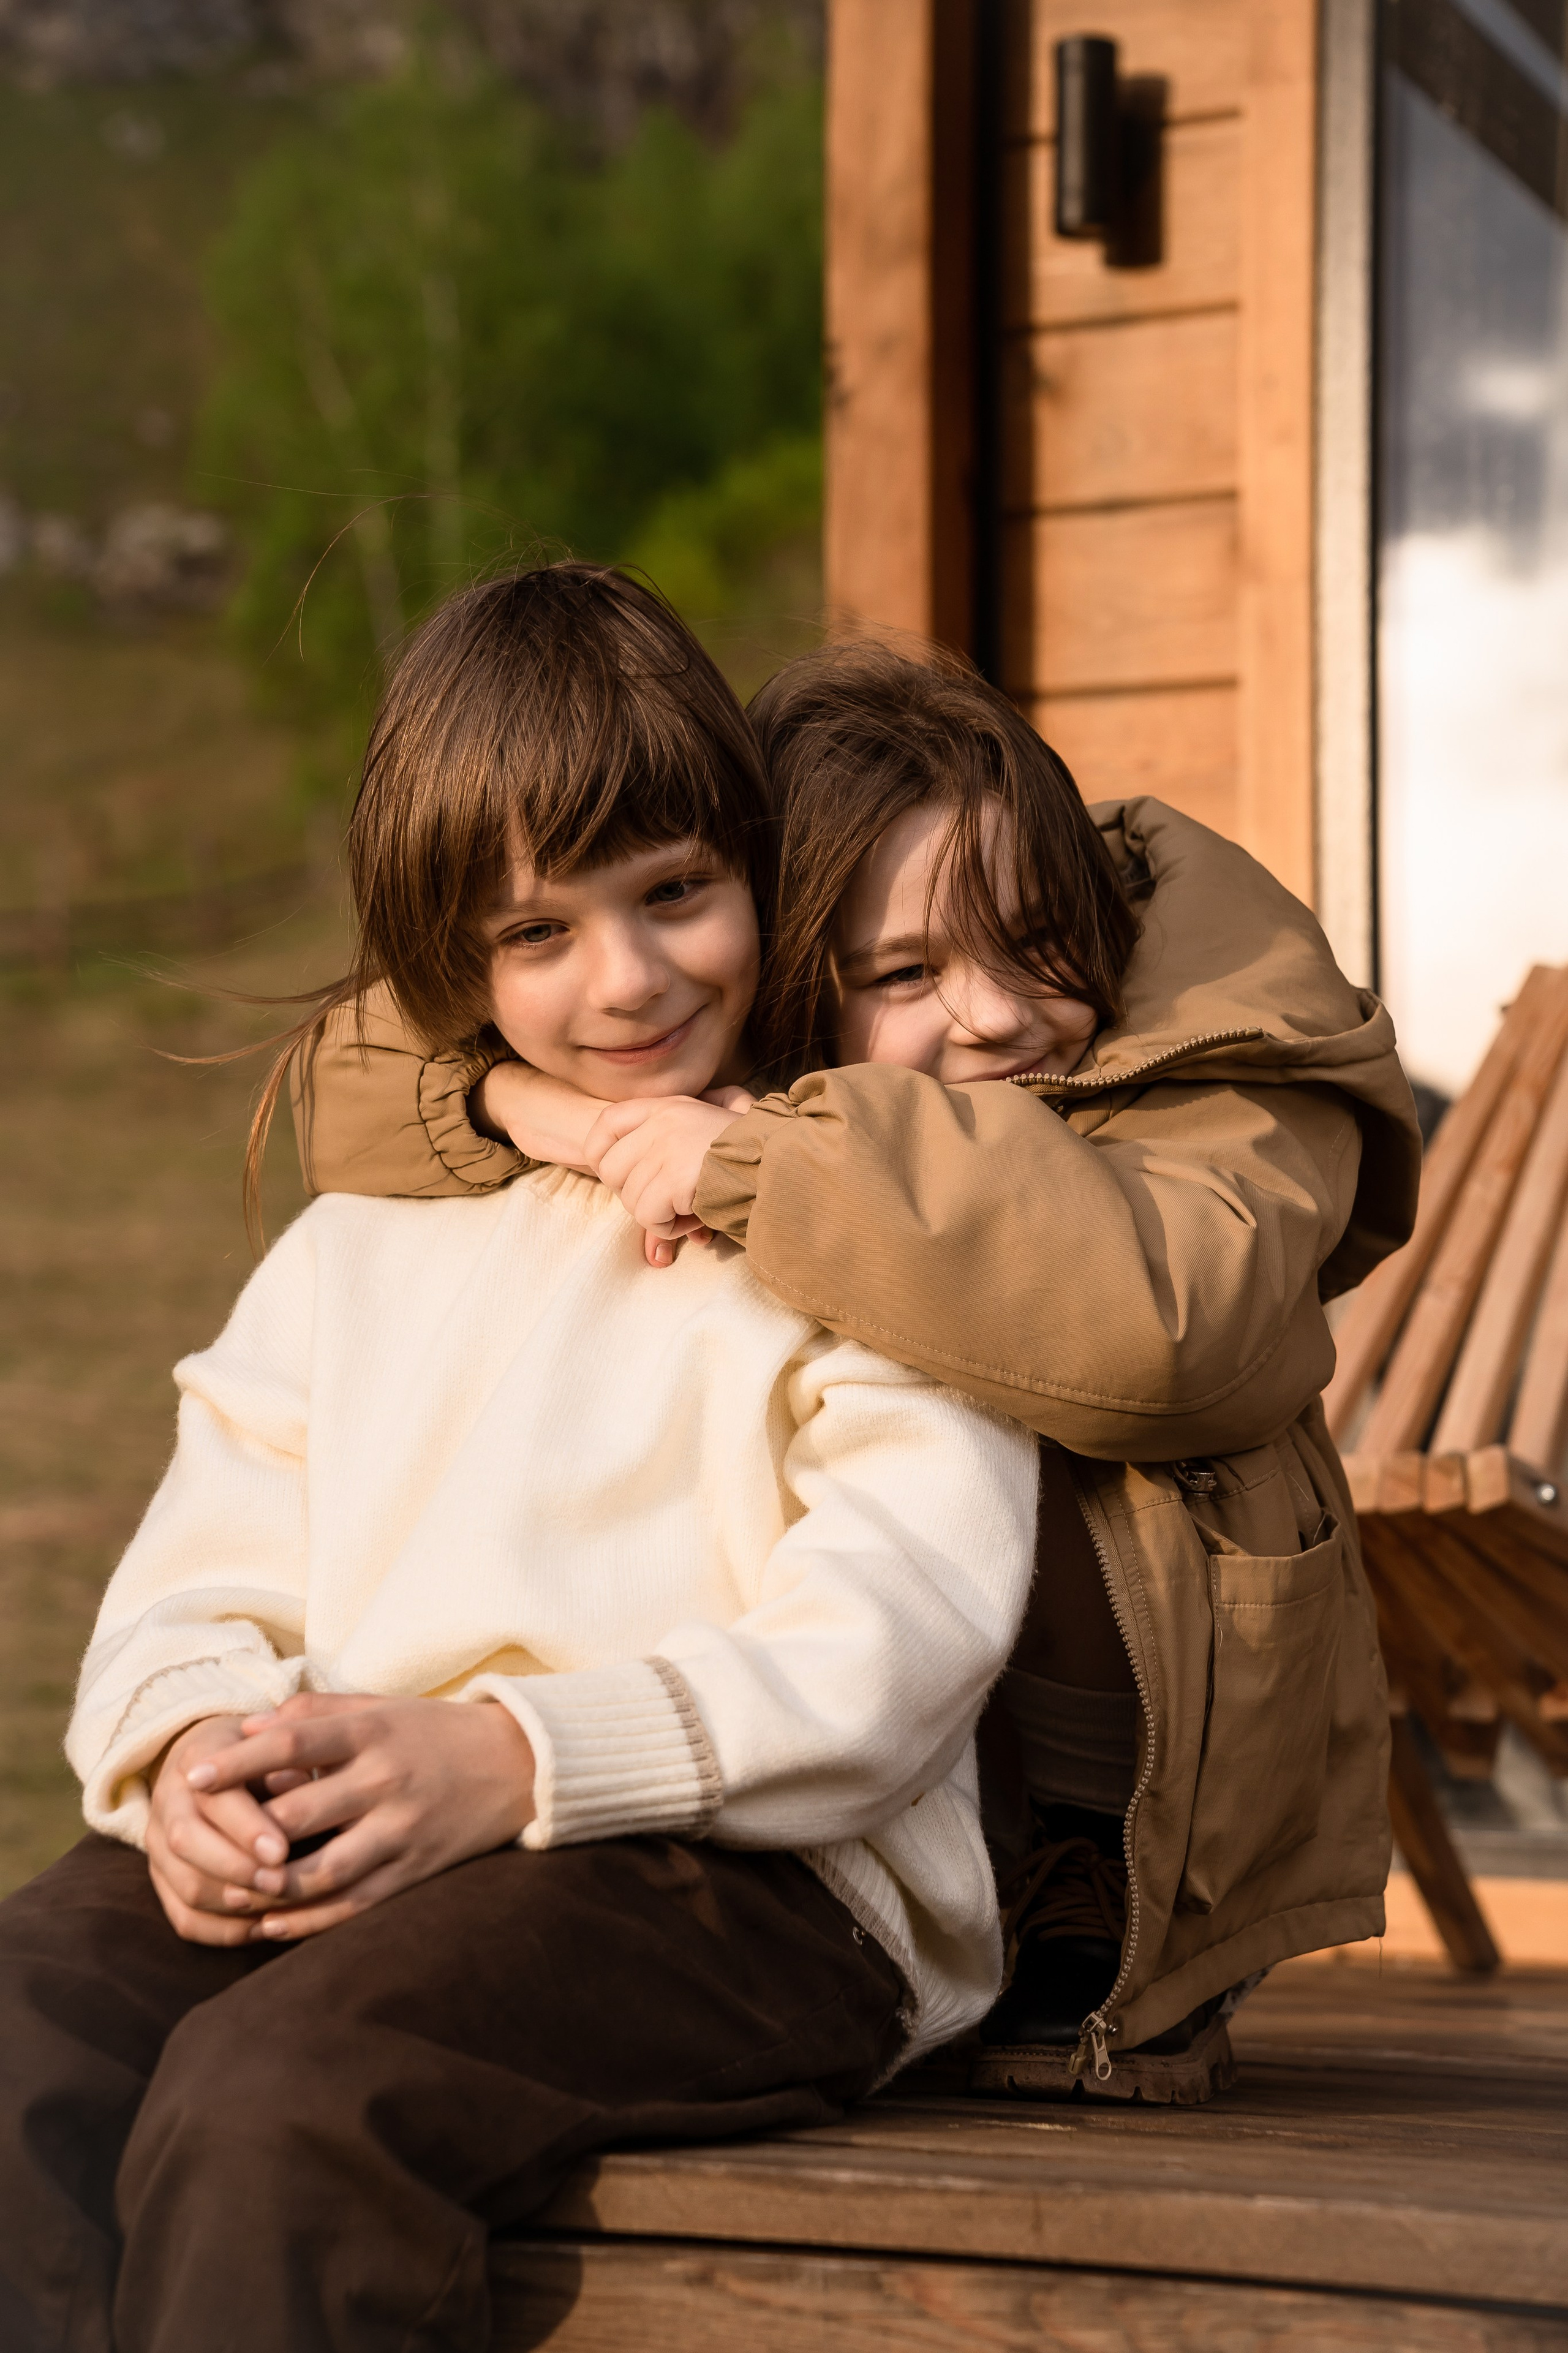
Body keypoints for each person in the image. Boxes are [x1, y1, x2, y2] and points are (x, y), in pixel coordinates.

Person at [0, 572, 1042, 2353]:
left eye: (675, 895)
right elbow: (206, 1559)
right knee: (25, 2025)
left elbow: (901, 1634)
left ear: (754, 869)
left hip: (765, 1876)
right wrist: (188, 1755)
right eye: (537, 935)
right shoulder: (372, 1237)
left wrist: (514, 1754)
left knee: (281, 2103)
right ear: (449, 967)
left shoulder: (866, 1196)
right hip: (380, 1821)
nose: (627, 980)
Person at [291, 636, 1424, 2103]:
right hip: (847, 1732)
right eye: (903, 971)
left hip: (1122, 1785)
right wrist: (561, 1116)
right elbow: (347, 1066)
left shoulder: (1222, 1039)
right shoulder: (728, 1007)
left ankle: (1056, 1864)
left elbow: (1172, 1327)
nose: (996, 1012)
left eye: (1034, 939)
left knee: (960, 1264)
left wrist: (747, 1154)